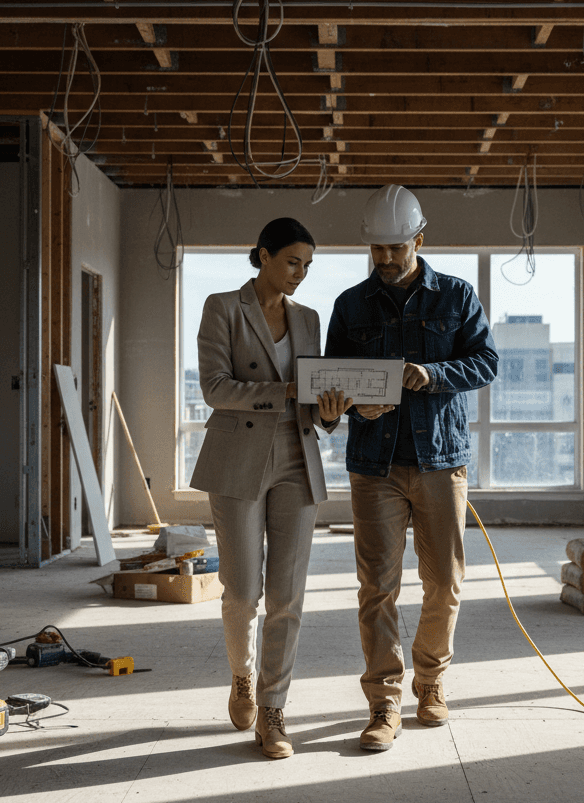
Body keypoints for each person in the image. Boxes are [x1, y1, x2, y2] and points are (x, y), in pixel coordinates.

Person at [324, 185, 498, 751]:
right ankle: (384, 700)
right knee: (377, 587)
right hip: (374, 465)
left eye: (395, 248)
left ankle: (431, 681)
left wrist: (434, 374)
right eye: (376, 249)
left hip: (439, 460)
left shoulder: (457, 295)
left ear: (419, 240)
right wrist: (351, 405)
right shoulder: (350, 305)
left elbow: (486, 361)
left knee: (444, 582)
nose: (385, 258)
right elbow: (330, 384)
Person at [190, 218, 351, 760]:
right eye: (292, 261)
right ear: (263, 255)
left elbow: (314, 399)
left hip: (297, 457)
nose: (300, 273)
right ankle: (242, 674)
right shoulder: (222, 307)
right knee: (242, 592)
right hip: (238, 456)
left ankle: (273, 708)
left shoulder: (308, 318)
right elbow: (215, 388)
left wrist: (331, 411)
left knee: (288, 595)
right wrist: (283, 391)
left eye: (308, 265)